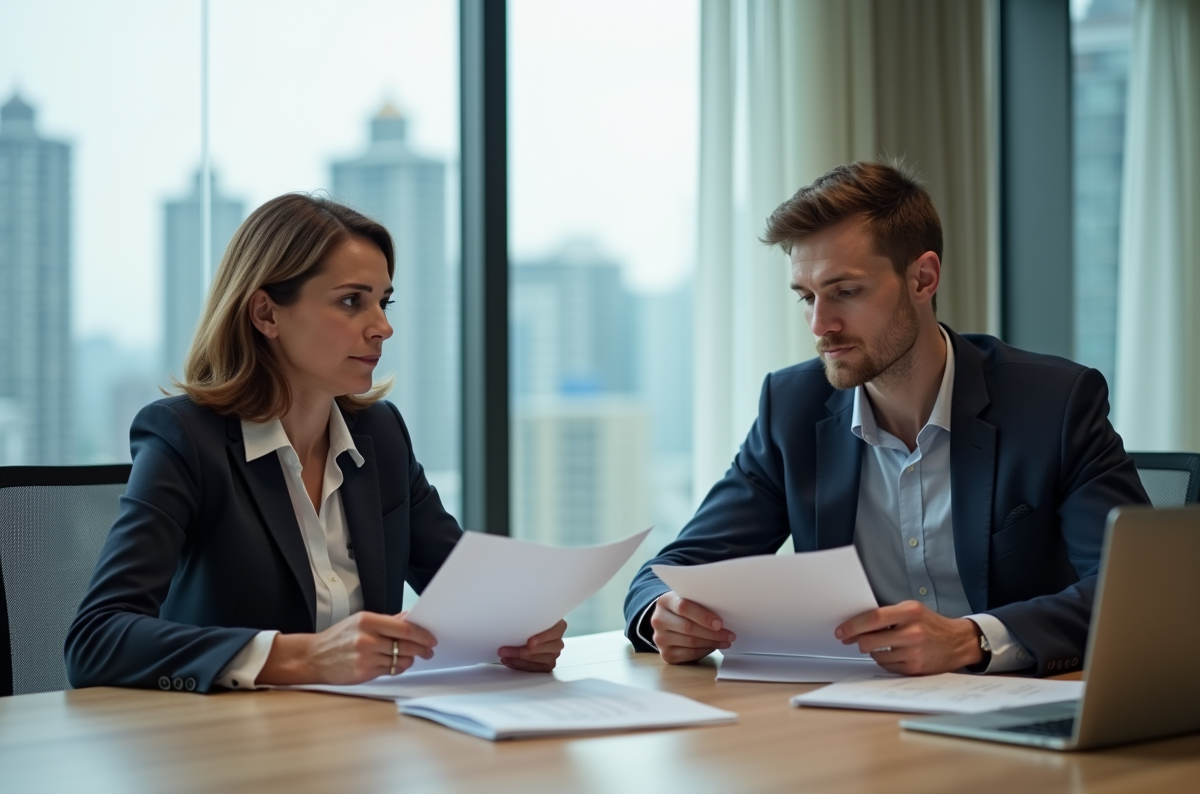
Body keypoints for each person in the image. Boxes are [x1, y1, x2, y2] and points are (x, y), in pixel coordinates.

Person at [624, 161, 1148, 678]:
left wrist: (971, 639)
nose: (820, 325)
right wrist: (666, 614)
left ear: (922, 278)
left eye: (845, 292)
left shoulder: (1054, 402)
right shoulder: (790, 407)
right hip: (855, 722)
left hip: (1017, 709)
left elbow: (1134, 589)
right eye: (806, 297)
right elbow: (667, 571)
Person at [66, 194, 565, 693]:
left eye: (384, 302)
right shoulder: (186, 439)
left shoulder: (381, 435)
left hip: (364, 740)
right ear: (266, 314)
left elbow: (467, 591)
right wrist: (302, 656)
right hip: (230, 745)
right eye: (352, 301)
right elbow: (96, 640)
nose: (383, 327)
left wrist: (519, 632)